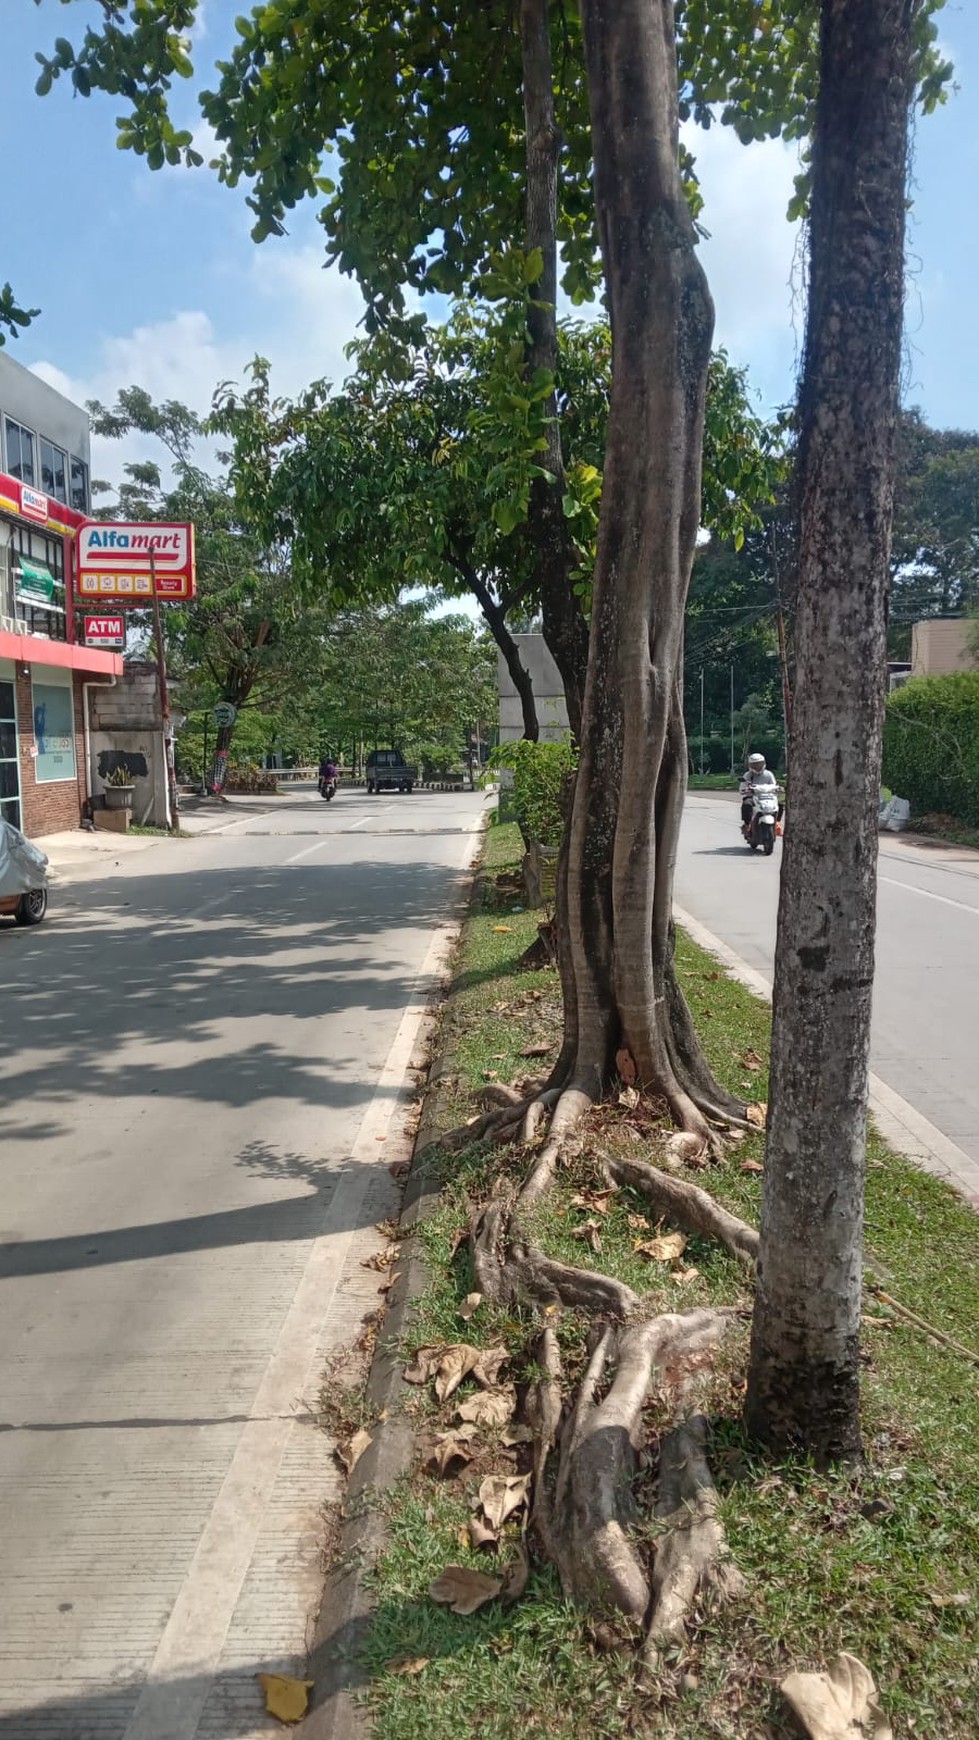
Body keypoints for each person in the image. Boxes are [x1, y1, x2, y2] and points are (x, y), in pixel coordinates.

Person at [740, 752, 779, 828]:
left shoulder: (768, 774)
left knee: (780, 805)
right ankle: (747, 824)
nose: (757, 766)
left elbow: (774, 785)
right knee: (746, 804)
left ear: (764, 763)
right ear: (750, 765)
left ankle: (777, 821)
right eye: (754, 765)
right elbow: (742, 788)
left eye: (759, 764)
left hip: (767, 796)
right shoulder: (747, 775)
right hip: (752, 797)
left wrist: (778, 788)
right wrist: (746, 790)